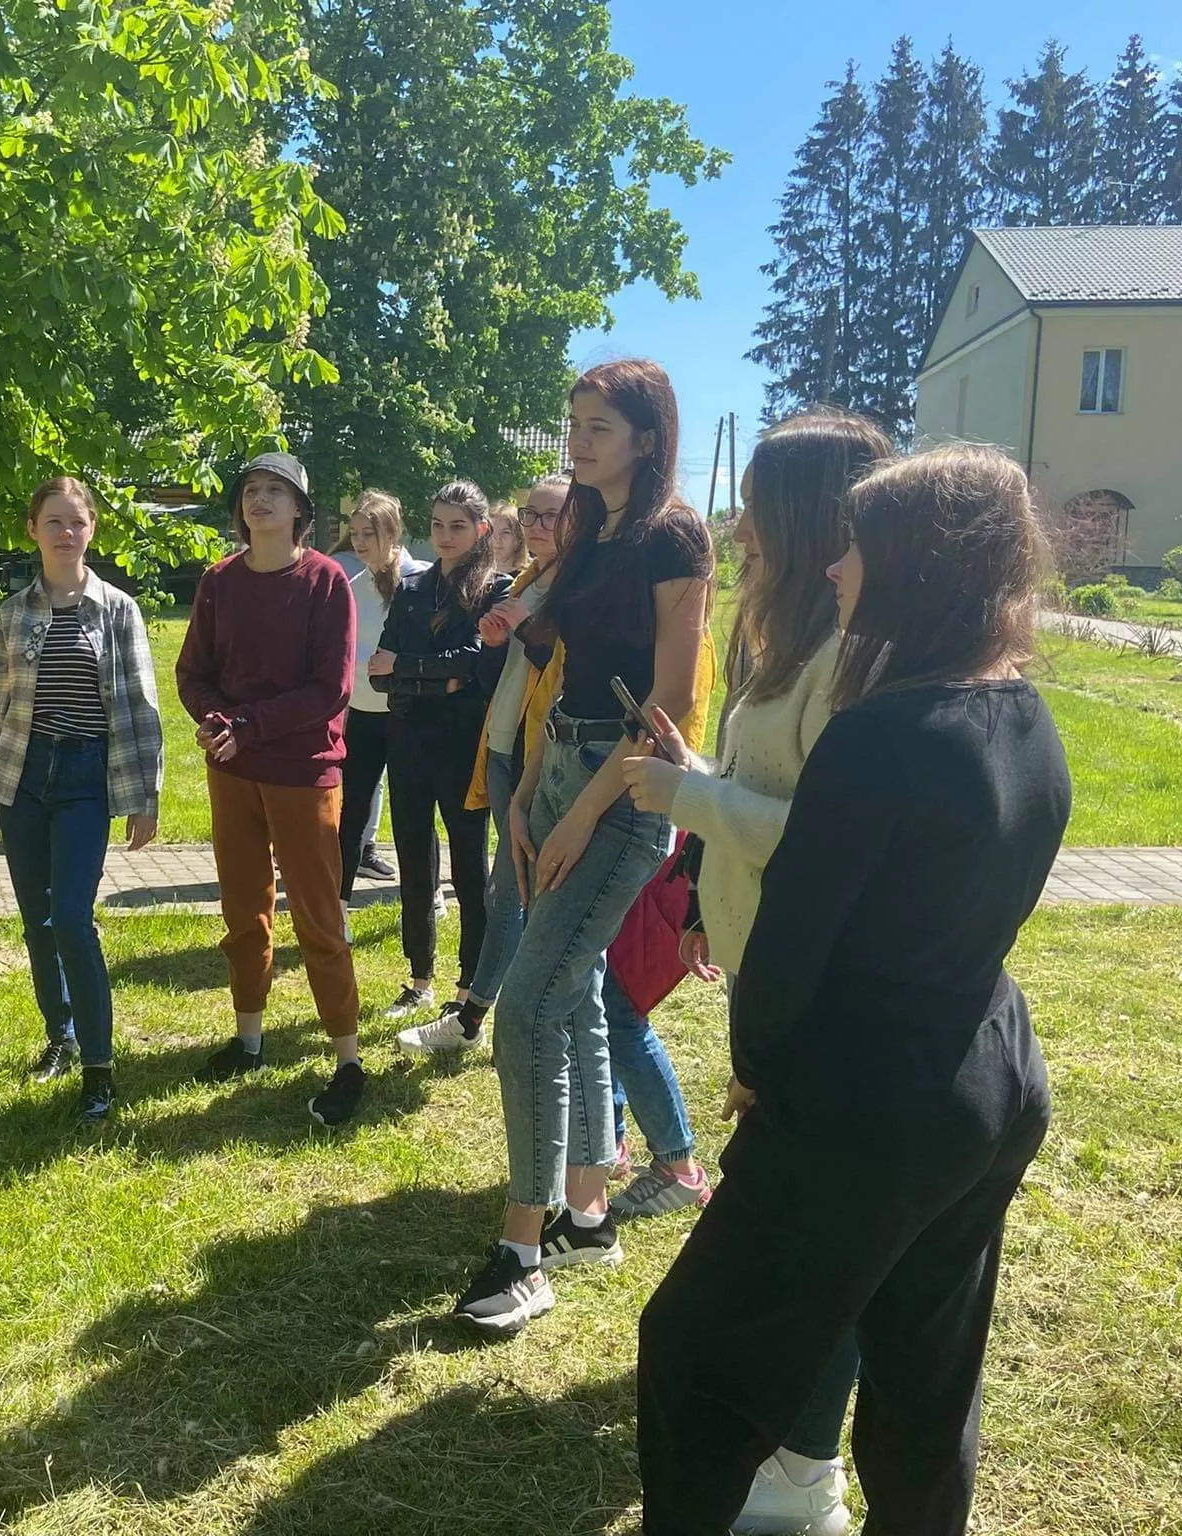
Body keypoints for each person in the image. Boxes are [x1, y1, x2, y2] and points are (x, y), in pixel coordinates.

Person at [633, 444, 1070, 1536]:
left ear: (914, 568)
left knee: (690, 1358)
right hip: (988, 1081)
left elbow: (787, 953)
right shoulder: (1022, 715)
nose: (834, 570)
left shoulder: (879, 737)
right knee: (925, 1380)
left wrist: (756, 1078)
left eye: (857, 549)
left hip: (864, 1107)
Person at [620, 408, 892, 1535]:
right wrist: (695, 887)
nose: (737, 523)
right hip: (768, 965)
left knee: (809, 1240)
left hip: (824, 988)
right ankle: (790, 1447)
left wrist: (683, 798)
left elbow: (822, 836)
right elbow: (750, 783)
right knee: (792, 1228)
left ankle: (800, 1470)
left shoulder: (854, 654)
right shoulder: (786, 627)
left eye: (759, 502)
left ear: (813, 514)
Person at [451, 360, 712, 1335]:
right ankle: (584, 1215)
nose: (579, 438)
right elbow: (557, 662)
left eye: (599, 424)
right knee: (569, 996)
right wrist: (524, 797)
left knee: (524, 1005)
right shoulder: (590, 532)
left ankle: (523, 1251)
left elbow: (673, 701)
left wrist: (575, 810)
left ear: (646, 436)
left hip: (626, 788)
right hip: (556, 765)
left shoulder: (672, 535)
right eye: (573, 422)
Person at [0, 477, 164, 1123]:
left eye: (75, 522)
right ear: (33, 529)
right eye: (53, 521)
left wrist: (146, 796)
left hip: (84, 780)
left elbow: (139, 707)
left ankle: (100, 1070)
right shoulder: (14, 613)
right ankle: (62, 1036)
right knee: (37, 922)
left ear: (91, 530)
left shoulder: (117, 610)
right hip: (24, 780)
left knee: (73, 919)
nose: (64, 533)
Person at [177, 451, 365, 1126]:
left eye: (275, 491)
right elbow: (191, 671)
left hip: (303, 773)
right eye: (252, 490)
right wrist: (216, 720)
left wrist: (249, 724)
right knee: (243, 912)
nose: (260, 500)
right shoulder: (218, 582)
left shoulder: (325, 583)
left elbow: (330, 690)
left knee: (318, 919)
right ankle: (248, 1039)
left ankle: (347, 1059)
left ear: (300, 512)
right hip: (233, 771)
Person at [367, 481, 509, 1020]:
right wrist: (432, 677)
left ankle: (469, 985)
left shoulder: (496, 589)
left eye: (458, 526)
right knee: (413, 860)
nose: (446, 536)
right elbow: (379, 670)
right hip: (405, 740)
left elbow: (472, 664)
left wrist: (409, 670)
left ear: (481, 530)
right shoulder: (411, 587)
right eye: (438, 525)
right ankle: (418, 977)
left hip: (463, 745)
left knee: (470, 866)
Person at [333, 492, 428, 893]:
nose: (358, 541)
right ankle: (337, 903)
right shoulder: (353, 586)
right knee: (352, 811)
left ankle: (427, 892)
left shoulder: (422, 578)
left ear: (391, 532)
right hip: (363, 715)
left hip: (409, 714)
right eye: (353, 533)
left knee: (414, 813)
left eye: (367, 533)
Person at [487, 501, 526, 576]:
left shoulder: (529, 576)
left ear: (519, 538)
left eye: (505, 532)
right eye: (491, 531)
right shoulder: (474, 573)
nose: (497, 539)